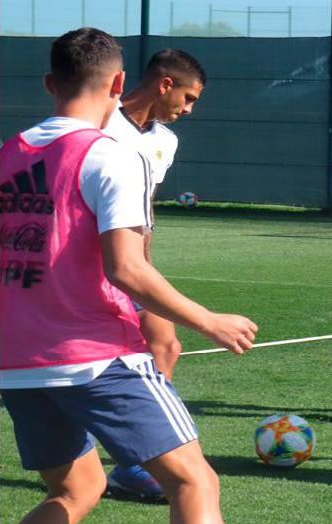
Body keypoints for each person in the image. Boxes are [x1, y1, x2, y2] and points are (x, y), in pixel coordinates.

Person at [0, 27, 258, 524]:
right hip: (92, 354)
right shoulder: (113, 154)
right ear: (118, 82)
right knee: (193, 481)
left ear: (50, 82)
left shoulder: (7, 154)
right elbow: (127, 267)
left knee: (78, 489)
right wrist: (210, 321)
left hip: (15, 360)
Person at [101, 47, 206, 499]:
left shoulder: (166, 140)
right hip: (86, 266)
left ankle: (130, 465)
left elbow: (143, 210)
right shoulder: (101, 124)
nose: (188, 109)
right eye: (187, 97)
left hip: (133, 266)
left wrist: (144, 263)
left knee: (166, 343)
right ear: (165, 84)